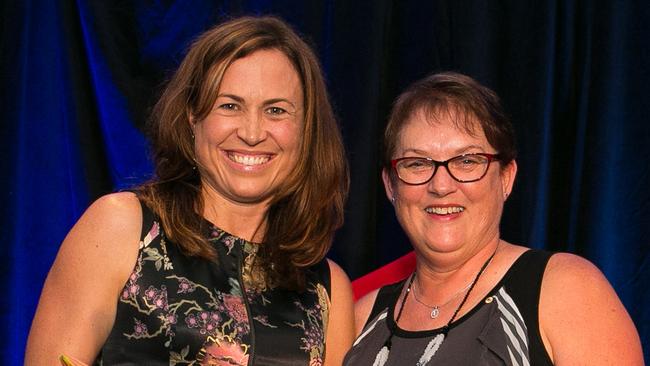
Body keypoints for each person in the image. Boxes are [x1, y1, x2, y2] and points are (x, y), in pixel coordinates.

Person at [25, 16, 355, 365]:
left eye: (276, 111)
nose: (253, 132)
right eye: (229, 106)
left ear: (307, 131)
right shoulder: (121, 228)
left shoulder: (327, 289)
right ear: (191, 119)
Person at [344, 72, 643, 365]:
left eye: (467, 161)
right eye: (417, 164)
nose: (441, 185)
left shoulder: (565, 289)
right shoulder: (358, 320)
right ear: (390, 184)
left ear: (506, 178)